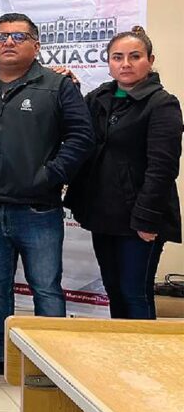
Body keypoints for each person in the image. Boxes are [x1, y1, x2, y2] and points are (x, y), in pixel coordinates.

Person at [0, 13, 94, 376]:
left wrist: (50, 175)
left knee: (45, 287)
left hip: (37, 210)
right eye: (1, 36)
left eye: (18, 36)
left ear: (36, 45)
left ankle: (52, 363)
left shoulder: (57, 86)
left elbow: (81, 137)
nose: (8, 42)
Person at [66, 27, 182, 319]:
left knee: (135, 293)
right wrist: (69, 87)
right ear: (109, 62)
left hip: (140, 219)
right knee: (114, 289)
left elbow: (163, 168)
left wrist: (146, 219)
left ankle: (145, 348)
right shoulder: (99, 98)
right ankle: (118, 347)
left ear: (150, 61)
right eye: (117, 57)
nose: (125, 64)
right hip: (104, 214)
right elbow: (80, 132)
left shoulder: (162, 104)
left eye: (135, 56)